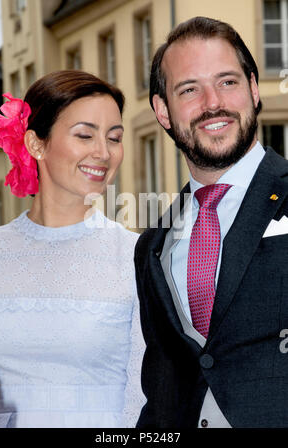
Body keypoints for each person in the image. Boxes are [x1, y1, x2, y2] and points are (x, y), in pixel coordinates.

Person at [134, 16, 288, 428]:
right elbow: (165, 389)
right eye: (189, 89)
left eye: (228, 82)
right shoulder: (152, 248)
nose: (212, 102)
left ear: (254, 89)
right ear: (163, 111)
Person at [0, 70, 145, 428]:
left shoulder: (136, 258)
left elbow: (144, 398)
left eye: (115, 138)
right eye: (85, 135)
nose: (104, 153)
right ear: (36, 144)